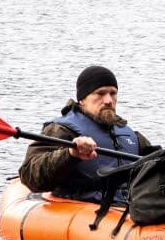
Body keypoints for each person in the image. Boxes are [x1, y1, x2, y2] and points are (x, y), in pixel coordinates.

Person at [18, 66, 156, 203]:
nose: (108, 100)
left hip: (126, 209)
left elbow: (161, 163)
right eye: (100, 94)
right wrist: (70, 154)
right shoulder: (61, 130)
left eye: (113, 93)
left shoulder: (132, 136)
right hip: (83, 211)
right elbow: (30, 176)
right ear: (82, 99)